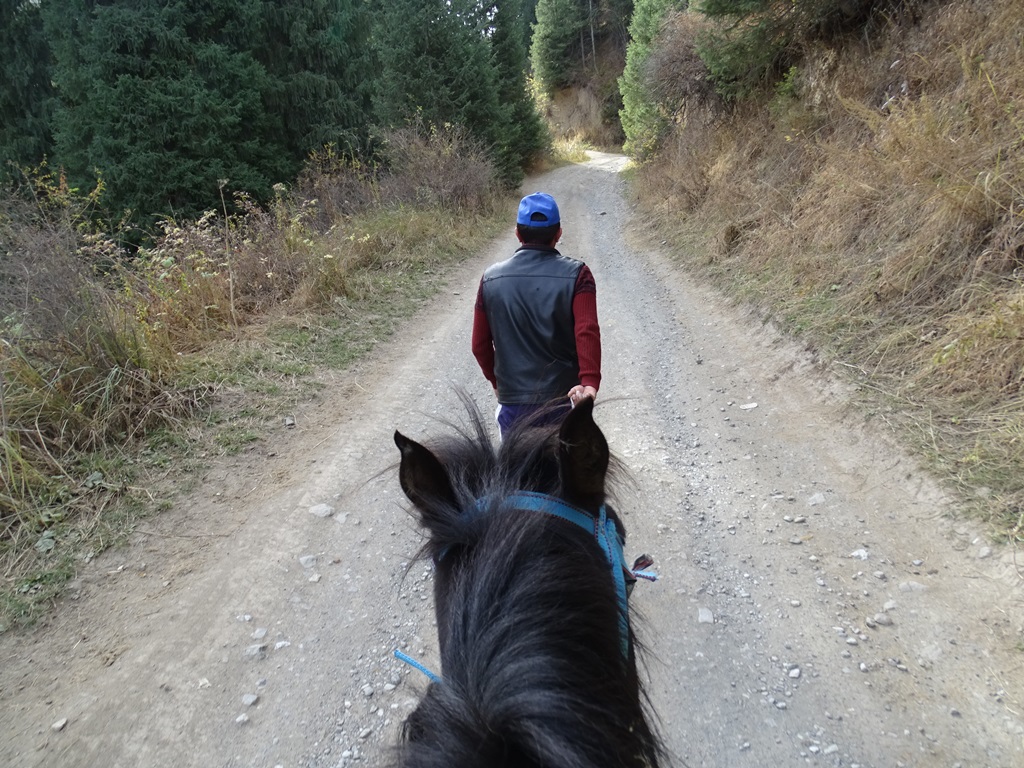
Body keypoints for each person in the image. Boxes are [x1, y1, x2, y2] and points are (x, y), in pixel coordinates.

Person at [471, 192, 601, 437]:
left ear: (518, 234)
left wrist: (499, 385)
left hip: (513, 405)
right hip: (564, 401)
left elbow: (479, 345)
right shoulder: (579, 275)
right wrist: (589, 382)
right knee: (564, 473)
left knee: (516, 474)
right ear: (558, 234)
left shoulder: (490, 279)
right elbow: (587, 331)